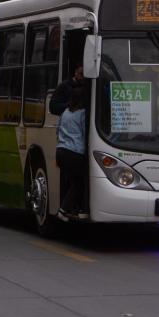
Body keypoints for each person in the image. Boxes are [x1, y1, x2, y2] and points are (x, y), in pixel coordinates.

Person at [55, 85, 88, 221]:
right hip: (75, 152)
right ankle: (70, 210)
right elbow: (86, 133)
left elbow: (57, 131)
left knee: (72, 181)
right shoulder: (82, 113)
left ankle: (71, 208)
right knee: (82, 182)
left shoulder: (65, 112)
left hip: (61, 151)